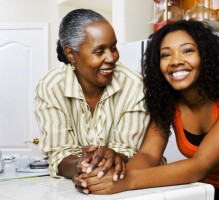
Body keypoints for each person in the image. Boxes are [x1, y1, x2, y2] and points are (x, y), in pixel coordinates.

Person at [79, 20, 219, 200]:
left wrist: (128, 182)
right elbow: (148, 155)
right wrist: (109, 175)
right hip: (210, 190)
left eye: (187, 50)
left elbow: (200, 165)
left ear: (205, 56)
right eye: (165, 55)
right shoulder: (168, 101)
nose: (176, 61)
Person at [34, 8, 151, 184]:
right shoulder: (51, 87)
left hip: (131, 186)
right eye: (99, 51)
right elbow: (60, 153)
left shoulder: (134, 85)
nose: (111, 58)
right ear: (71, 54)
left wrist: (109, 157)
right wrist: (81, 165)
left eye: (113, 48)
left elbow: (128, 150)